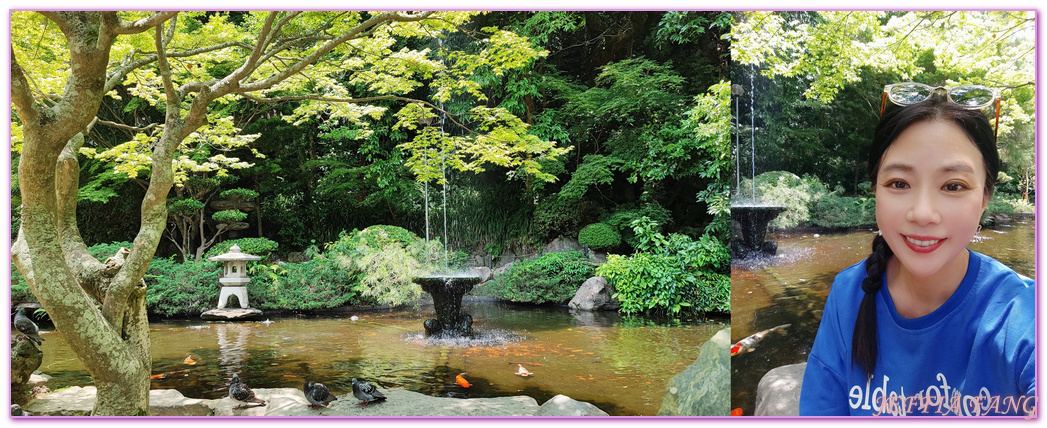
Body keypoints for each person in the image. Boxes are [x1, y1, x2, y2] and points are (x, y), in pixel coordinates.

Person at [798, 83, 1035, 416]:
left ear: (985, 197)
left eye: (953, 186)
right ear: (875, 188)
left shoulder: (1022, 313)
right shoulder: (848, 295)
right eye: (899, 183)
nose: (923, 213)